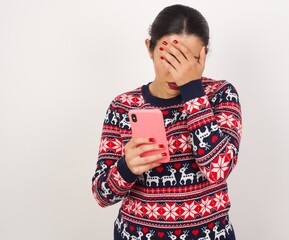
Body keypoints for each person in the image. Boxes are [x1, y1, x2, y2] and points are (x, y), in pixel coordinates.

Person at [92, 4, 242, 240]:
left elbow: (217, 169)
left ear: (203, 55)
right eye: (169, 58)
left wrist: (193, 91)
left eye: (189, 60)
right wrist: (126, 167)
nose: (177, 72)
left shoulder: (220, 95)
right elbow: (102, 195)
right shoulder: (122, 106)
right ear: (149, 49)